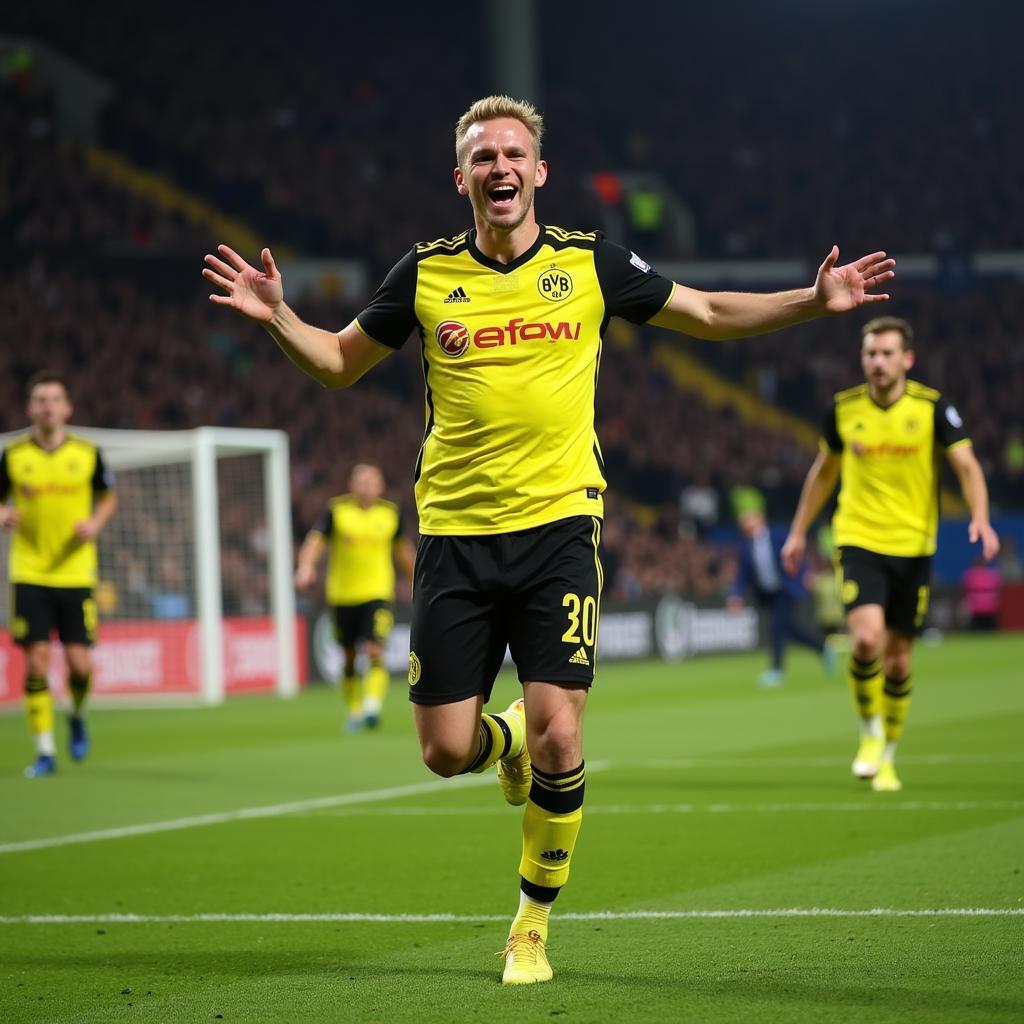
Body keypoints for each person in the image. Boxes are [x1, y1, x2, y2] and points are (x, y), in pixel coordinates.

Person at [203, 94, 894, 984]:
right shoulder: (423, 273)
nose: (499, 168)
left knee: (564, 737)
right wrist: (279, 321)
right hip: (454, 534)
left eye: (513, 154)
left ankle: (529, 923)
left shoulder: (590, 262)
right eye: (483, 156)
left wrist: (813, 299)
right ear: (462, 178)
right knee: (446, 750)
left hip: (562, 525)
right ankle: (507, 743)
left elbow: (711, 315)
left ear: (539, 172)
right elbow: (339, 364)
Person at [781, 317, 999, 792]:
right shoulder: (844, 409)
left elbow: (966, 463)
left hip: (914, 546)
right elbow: (823, 473)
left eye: (886, 354)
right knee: (865, 641)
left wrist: (980, 517)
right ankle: (870, 734)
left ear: (907, 359)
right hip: (858, 539)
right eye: (870, 354)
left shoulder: (932, 408)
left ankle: (890, 755)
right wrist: (798, 532)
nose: (877, 362)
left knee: (899, 661)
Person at [0, 371, 117, 778]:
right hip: (28, 570)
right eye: (40, 400)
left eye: (55, 399)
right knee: (36, 661)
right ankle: (45, 750)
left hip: (76, 572)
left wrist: (96, 523)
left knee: (80, 666)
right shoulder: (13, 456)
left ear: (67, 408)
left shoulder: (87, 454)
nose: (48, 406)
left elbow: (108, 496)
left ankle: (77, 714)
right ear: (30, 408)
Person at [295, 463, 415, 731]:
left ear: (380, 486)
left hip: (377, 593)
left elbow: (403, 550)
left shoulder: (390, 514)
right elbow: (316, 542)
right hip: (342, 596)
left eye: (372, 481)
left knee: (374, 649)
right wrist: (306, 565)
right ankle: (354, 710)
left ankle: (372, 707)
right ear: (351, 485)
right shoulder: (337, 511)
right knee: (349, 656)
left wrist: (416, 580)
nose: (366, 486)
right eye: (361, 481)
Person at [727, 498, 833, 687]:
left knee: (777, 628)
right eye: (743, 520)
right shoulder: (745, 546)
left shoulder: (778, 535)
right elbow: (742, 574)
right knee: (789, 630)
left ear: (760, 519)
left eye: (749, 518)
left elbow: (796, 554)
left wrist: (805, 573)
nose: (745, 523)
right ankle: (822, 648)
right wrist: (736, 595)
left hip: (786, 589)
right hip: (768, 594)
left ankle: (776, 670)